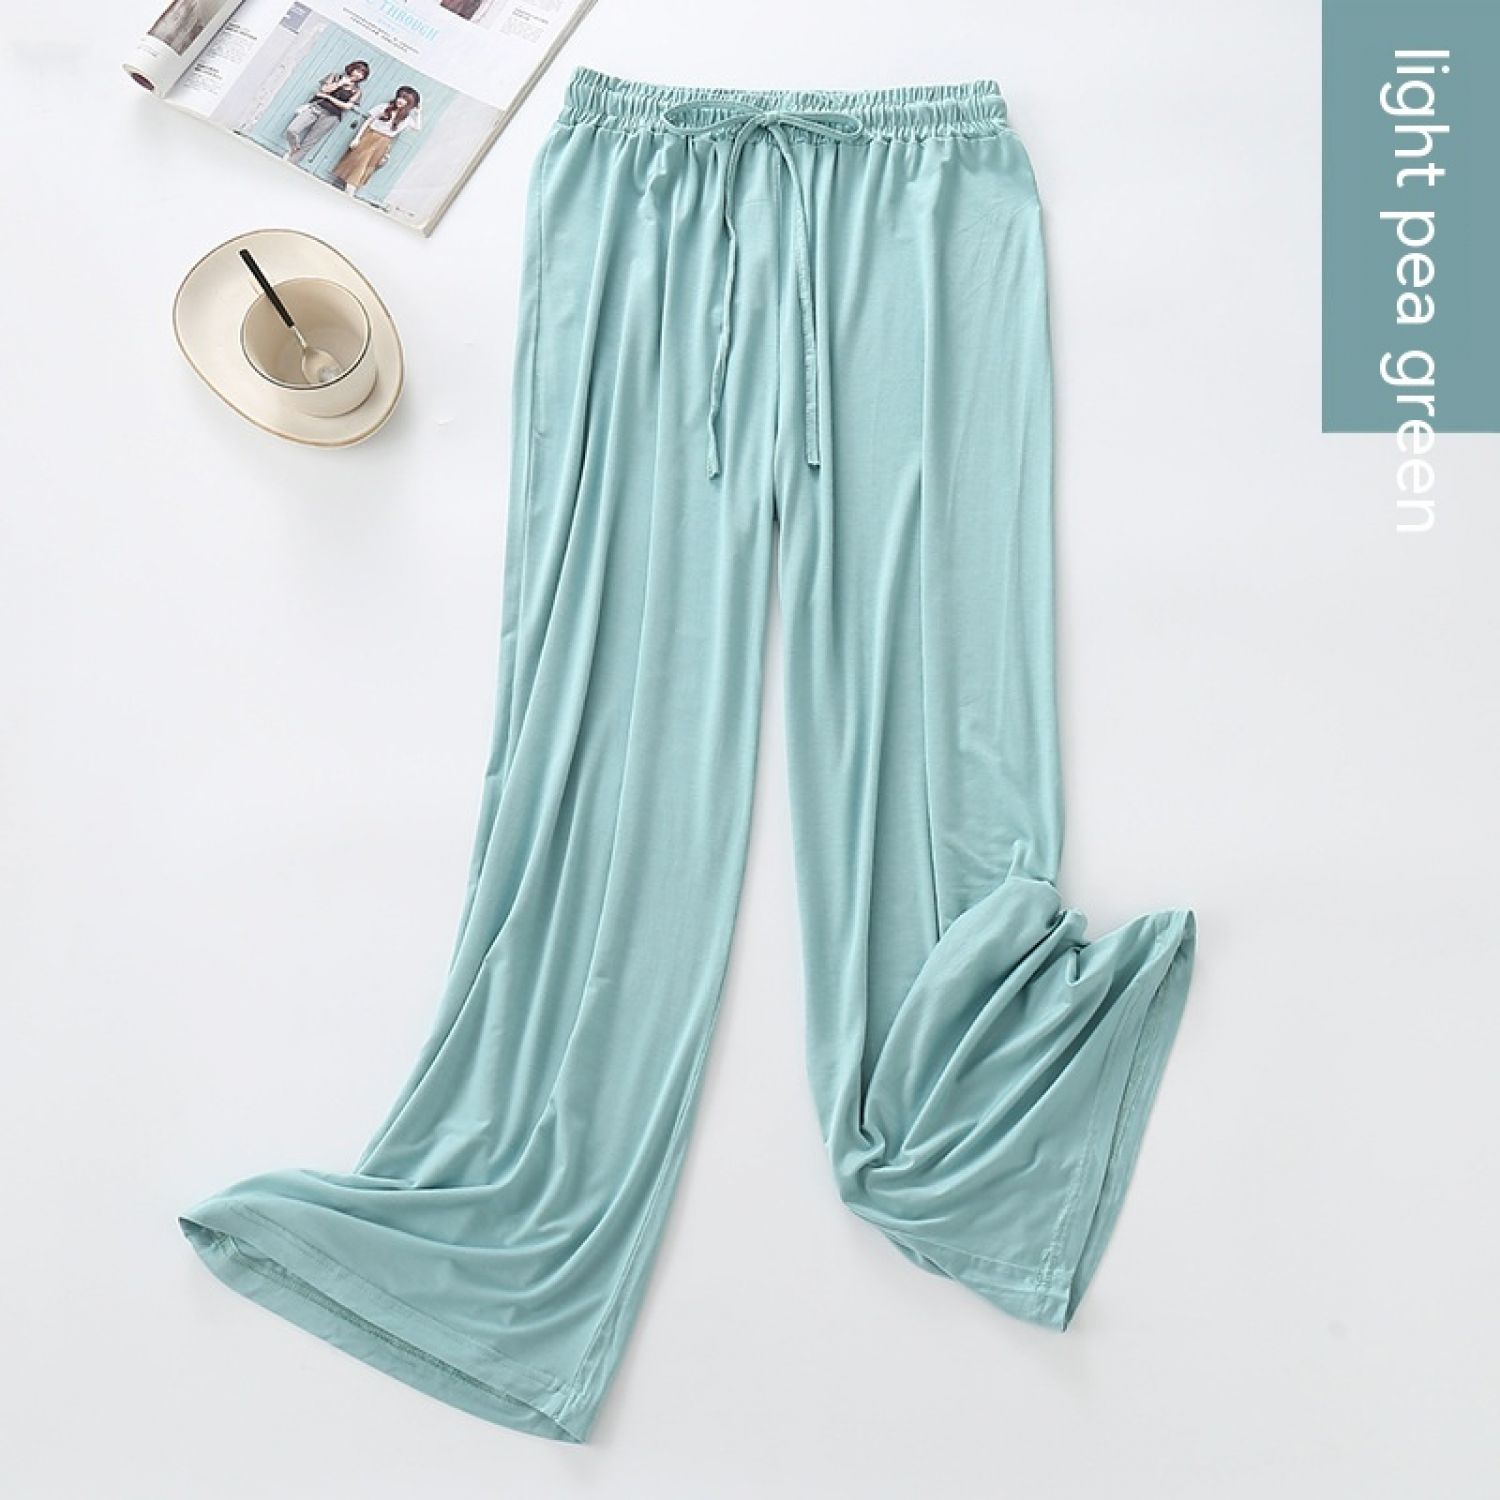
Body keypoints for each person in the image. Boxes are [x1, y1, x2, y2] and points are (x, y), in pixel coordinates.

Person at [330, 87, 422, 193]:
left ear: (410, 104)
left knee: (370, 165)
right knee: (359, 161)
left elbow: (417, 128)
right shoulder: (384, 107)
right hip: (370, 135)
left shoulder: (406, 118)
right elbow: (368, 121)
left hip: (385, 141)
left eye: (405, 99)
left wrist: (418, 112)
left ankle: (352, 187)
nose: (400, 101)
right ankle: (350, 188)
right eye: (400, 97)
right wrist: (357, 138)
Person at [283, 62, 370, 164]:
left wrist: (328, 97)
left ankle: (290, 163)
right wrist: (340, 83)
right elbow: (324, 89)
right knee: (292, 129)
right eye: (358, 71)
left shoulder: (357, 91)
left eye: (362, 74)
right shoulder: (334, 76)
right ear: (352, 68)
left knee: (309, 142)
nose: (359, 75)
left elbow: (347, 106)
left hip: (332, 116)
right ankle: (294, 148)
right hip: (316, 107)